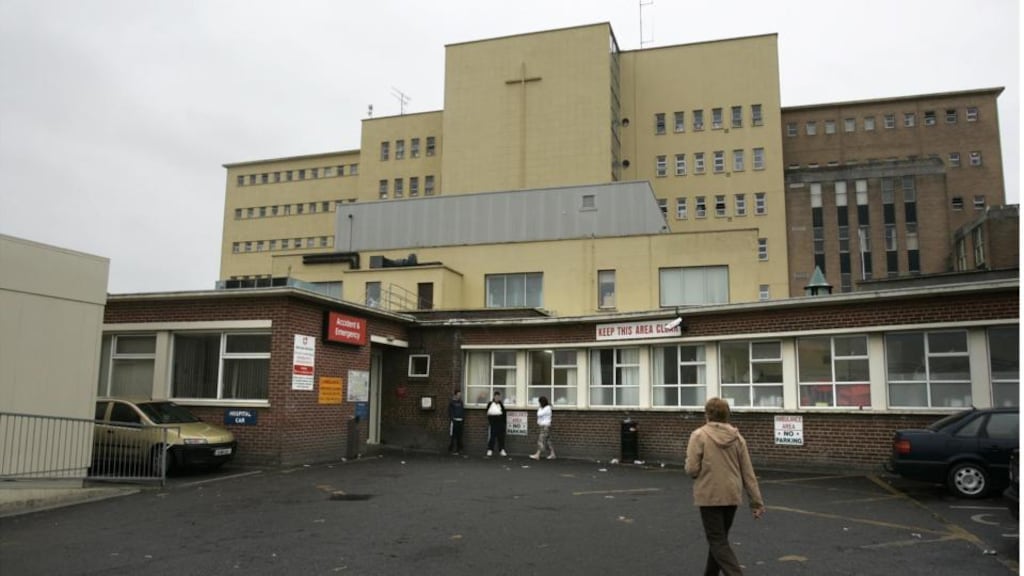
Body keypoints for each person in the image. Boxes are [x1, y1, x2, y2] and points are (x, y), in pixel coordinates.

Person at [684, 397, 765, 576]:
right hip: (732, 494)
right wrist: (756, 502)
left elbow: (691, 469)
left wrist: (696, 472)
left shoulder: (699, 435)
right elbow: (748, 473)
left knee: (717, 540)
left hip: (709, 494)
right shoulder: (738, 438)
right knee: (720, 540)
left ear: (707, 414)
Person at [529, 396, 555, 460]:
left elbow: (539, 414)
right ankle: (552, 454)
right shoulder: (545, 408)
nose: (539, 404)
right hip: (544, 426)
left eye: (539, 402)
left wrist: (540, 408)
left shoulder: (547, 408)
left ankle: (537, 454)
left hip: (545, 426)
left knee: (541, 440)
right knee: (548, 441)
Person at [485, 391, 507, 457]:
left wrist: (504, 423)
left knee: (501, 437)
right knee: (492, 437)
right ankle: (490, 449)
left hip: (500, 424)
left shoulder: (501, 404)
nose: (497, 398)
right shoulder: (490, 404)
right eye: (496, 397)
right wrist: (491, 422)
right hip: (493, 423)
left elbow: (504, 414)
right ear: (494, 397)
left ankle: (501, 450)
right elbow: (488, 413)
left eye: (498, 397)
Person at [447, 390, 464, 455]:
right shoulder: (452, 402)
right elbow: (450, 411)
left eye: (460, 395)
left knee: (459, 436)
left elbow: (462, 411)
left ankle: (458, 449)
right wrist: (453, 419)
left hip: (460, 421)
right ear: (455, 395)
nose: (459, 396)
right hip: (455, 421)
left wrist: (462, 419)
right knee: (453, 436)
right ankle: (451, 449)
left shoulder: (461, 402)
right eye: (458, 395)